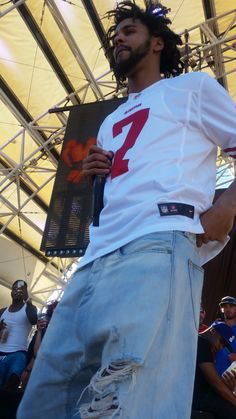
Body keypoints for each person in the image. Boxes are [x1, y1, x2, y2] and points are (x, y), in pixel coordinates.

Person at [17, 2, 236, 418]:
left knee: (129, 393)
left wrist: (227, 203)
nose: (117, 37)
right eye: (115, 34)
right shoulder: (110, 120)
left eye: (129, 30)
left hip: (159, 241)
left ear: (157, 43)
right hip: (95, 256)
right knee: (48, 394)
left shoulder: (193, 87)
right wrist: (99, 173)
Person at [192, 323, 236, 418]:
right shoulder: (201, 342)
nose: (221, 346)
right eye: (222, 341)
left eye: (224, 345)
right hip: (195, 397)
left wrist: (230, 387)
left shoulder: (206, 346)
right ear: (213, 332)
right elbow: (216, 385)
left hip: (200, 396)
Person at [0, 280, 37, 392]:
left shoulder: (29, 308)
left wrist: (27, 300)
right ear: (11, 292)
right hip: (1, 351)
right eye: (15, 288)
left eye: (21, 289)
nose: (17, 291)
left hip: (18, 353)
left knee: (11, 384)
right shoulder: (2, 311)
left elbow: (34, 320)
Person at [215, 296, 236, 375]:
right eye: (225, 306)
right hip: (211, 376)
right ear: (221, 309)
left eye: (231, 306)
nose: (228, 309)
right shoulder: (214, 326)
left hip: (231, 378)